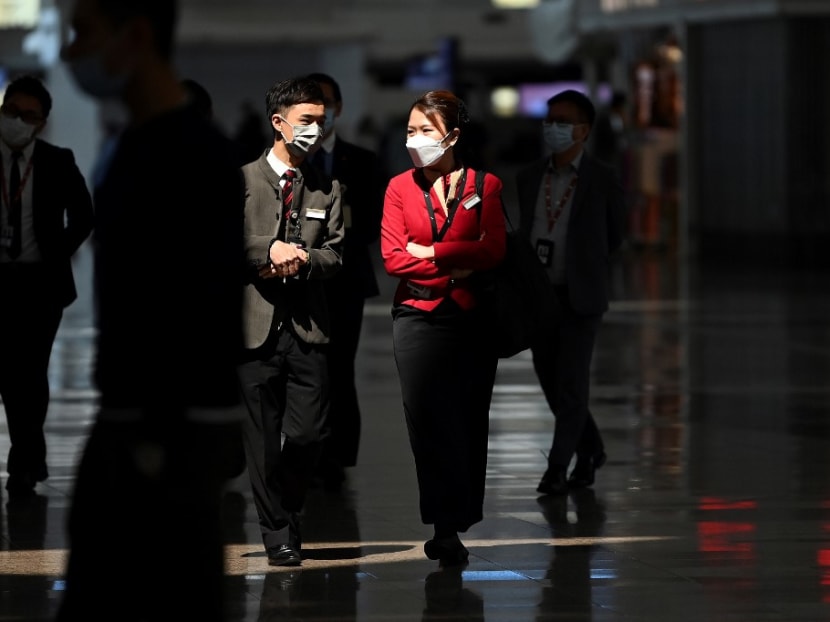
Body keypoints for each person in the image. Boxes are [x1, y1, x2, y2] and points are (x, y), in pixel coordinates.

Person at [57, 1, 246, 621]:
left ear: (135, 35)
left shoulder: (189, 154)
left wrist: (155, 441)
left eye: (83, 32)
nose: (68, 52)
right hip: (135, 418)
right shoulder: (136, 143)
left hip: (168, 429)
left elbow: (195, 309)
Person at [380, 90, 506, 567]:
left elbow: (492, 250)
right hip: (416, 316)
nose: (415, 140)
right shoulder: (398, 188)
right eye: (410, 131)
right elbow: (393, 258)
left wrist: (432, 254)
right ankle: (443, 526)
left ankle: (462, 513)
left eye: (426, 131)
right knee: (427, 420)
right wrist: (458, 262)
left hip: (472, 317)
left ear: (451, 135)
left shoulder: (485, 184)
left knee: (470, 419)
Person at [237, 76, 344, 567]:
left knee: (309, 434)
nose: (316, 131)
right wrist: (266, 250)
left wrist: (303, 258)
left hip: (307, 326)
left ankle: (288, 501)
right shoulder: (240, 181)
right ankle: (278, 532)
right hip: (253, 327)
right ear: (278, 123)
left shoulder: (329, 185)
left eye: (321, 122)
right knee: (261, 440)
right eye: (307, 122)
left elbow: (336, 254)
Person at [516, 89, 625, 496]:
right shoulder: (530, 177)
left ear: (583, 130)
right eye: (550, 121)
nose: (553, 128)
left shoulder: (602, 178)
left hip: (581, 296)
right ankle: (592, 448)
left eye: (563, 122)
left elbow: (615, 235)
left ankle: (558, 467)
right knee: (551, 380)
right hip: (541, 297)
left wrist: (587, 265)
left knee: (572, 384)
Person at [0, 75, 94, 499]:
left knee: (29, 376)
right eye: (11, 112)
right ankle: (28, 461)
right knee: (8, 374)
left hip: (39, 285)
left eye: (28, 115)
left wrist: (58, 250)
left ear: (42, 122)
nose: (18, 121)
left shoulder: (57, 160)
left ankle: (25, 465)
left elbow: (84, 215)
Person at [305, 72, 386, 490]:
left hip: (346, 278)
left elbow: (373, 222)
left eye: (328, 102)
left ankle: (337, 453)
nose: (321, 110)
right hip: (299, 280)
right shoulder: (287, 159)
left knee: (339, 367)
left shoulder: (363, 161)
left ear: (339, 107)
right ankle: (305, 448)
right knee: (303, 368)